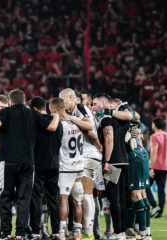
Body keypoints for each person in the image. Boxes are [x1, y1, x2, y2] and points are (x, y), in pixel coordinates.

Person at [0, 89, 60, 239]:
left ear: (10, 101)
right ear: (23, 100)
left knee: (6, 197)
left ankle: (7, 232)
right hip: (28, 162)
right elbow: (52, 127)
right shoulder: (33, 113)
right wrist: (56, 116)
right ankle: (20, 233)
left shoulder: (7, 112)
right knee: (23, 198)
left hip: (8, 161)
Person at [59, 88, 101, 239]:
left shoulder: (80, 108)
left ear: (72, 98)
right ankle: (81, 229)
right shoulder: (73, 111)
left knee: (85, 194)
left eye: (63, 100)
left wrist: (71, 119)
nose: (62, 104)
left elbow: (89, 127)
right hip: (83, 155)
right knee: (79, 195)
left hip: (88, 154)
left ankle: (88, 229)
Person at [92, 93, 130, 240]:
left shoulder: (106, 119)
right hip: (123, 161)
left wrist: (106, 162)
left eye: (95, 104)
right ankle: (123, 231)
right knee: (120, 199)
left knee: (114, 199)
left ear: (103, 104)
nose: (93, 107)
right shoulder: (119, 118)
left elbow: (109, 140)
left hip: (113, 163)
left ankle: (118, 232)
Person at [28, 97, 62, 240]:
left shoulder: (35, 123)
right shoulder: (58, 122)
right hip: (54, 164)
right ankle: (56, 232)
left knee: (36, 199)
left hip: (38, 165)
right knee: (54, 200)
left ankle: (36, 232)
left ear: (34, 109)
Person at [50, 98, 84, 240]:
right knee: (77, 202)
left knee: (63, 199)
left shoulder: (59, 125)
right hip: (79, 166)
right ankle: (77, 234)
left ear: (53, 110)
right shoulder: (77, 121)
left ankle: (62, 233)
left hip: (65, 167)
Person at [146, 118, 167, 219]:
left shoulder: (154, 136)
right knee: (161, 190)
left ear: (154, 125)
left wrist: (151, 167)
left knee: (145, 186)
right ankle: (161, 213)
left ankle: (154, 206)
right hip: (165, 166)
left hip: (155, 166)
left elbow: (154, 152)